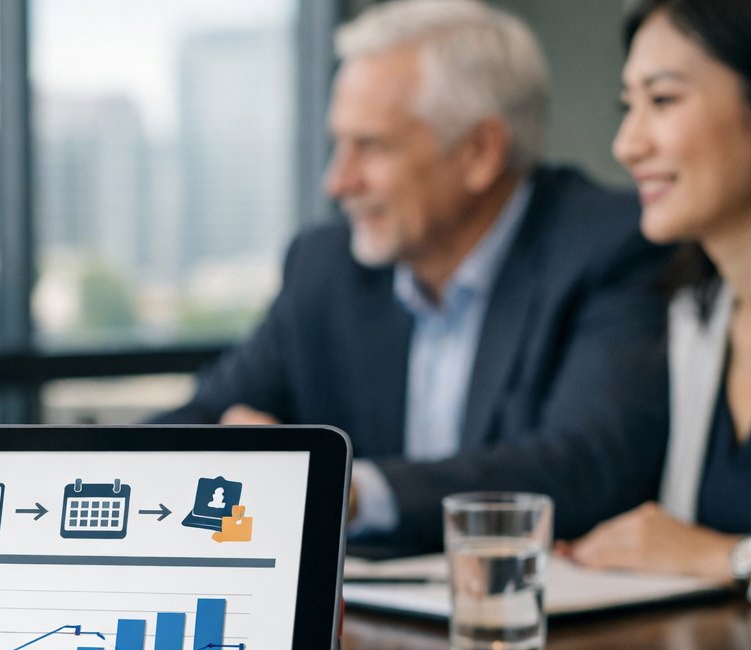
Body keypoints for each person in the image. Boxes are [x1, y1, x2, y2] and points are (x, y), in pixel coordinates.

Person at [156, 0, 670, 553]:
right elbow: (205, 418)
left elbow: (586, 464)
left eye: (370, 147)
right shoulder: (325, 268)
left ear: (480, 151)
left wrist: (342, 489)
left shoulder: (610, 245)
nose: (338, 181)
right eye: (337, 145)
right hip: (374, 626)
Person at [567, 0, 751, 583]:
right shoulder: (700, 314)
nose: (627, 145)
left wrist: (721, 557)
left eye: (663, 100)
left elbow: (700, 554)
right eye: (629, 106)